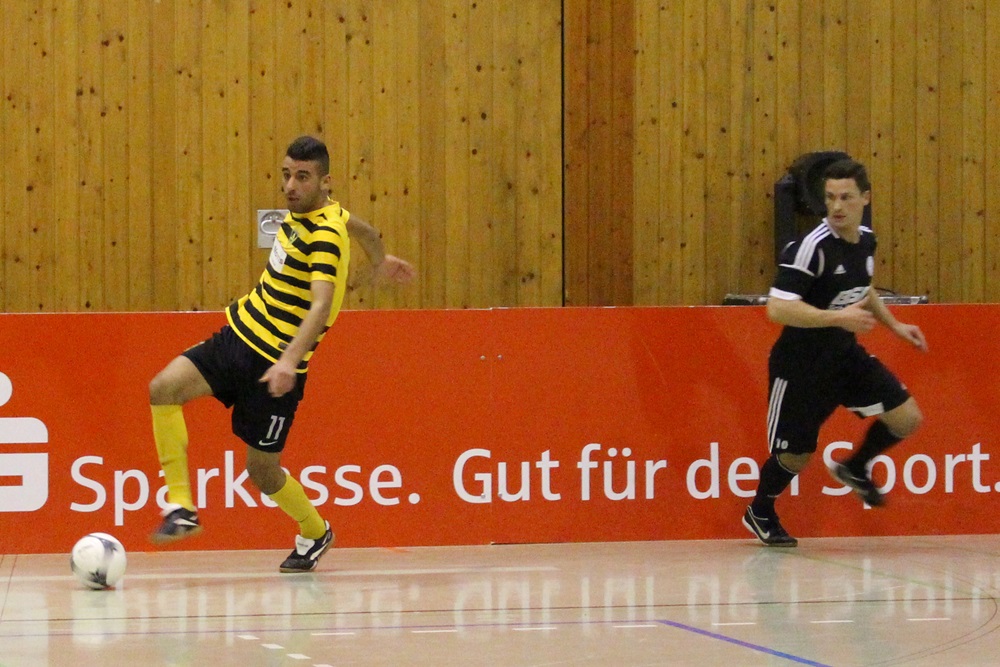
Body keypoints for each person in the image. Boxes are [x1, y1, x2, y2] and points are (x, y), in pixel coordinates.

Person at [147, 135, 415, 571]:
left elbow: (321, 305)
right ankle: (181, 507)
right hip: (238, 336)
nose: (291, 186)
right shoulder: (325, 211)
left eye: (302, 177)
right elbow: (364, 229)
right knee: (163, 388)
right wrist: (379, 261)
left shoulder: (325, 237)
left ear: (325, 181)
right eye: (287, 175)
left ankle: (315, 531)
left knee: (262, 472)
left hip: (275, 364)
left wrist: (289, 360)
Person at [742, 158, 928, 547]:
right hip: (800, 367)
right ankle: (760, 510)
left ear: (865, 198)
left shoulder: (865, 240)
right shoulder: (811, 249)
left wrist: (895, 325)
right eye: (830, 198)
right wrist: (836, 318)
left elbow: (863, 288)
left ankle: (856, 466)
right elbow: (777, 308)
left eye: (845, 197)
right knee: (796, 455)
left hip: (843, 357)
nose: (836, 207)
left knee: (907, 418)